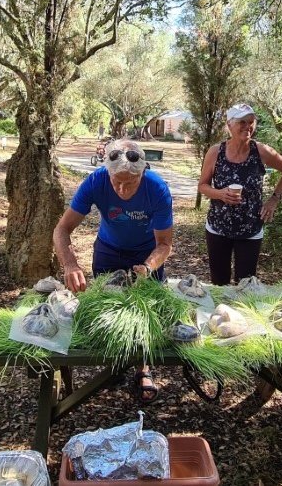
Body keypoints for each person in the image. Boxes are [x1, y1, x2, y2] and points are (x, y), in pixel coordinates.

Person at [53, 139, 173, 403]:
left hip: (146, 252)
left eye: (129, 183)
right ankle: (116, 360)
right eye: (116, 182)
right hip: (108, 249)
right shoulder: (96, 181)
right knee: (110, 306)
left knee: (145, 312)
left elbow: (165, 243)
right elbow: (62, 229)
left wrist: (149, 265)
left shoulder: (157, 188)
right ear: (106, 171)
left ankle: (143, 368)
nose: (121, 189)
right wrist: (70, 263)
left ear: (143, 171)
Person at [197, 103, 282, 285]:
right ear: (229, 125)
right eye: (242, 122)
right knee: (219, 283)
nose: (247, 126)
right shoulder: (215, 152)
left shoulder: (261, 151)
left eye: (251, 122)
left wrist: (274, 200)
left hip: (250, 228)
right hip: (218, 227)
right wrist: (219, 194)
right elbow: (202, 186)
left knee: (246, 284)